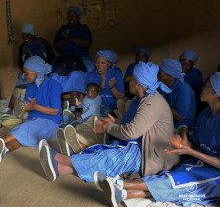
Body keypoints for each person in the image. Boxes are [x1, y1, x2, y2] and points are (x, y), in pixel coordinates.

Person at [39, 62, 179, 183]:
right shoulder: (140, 99)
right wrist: (113, 122)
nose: (128, 80)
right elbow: (127, 123)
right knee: (107, 150)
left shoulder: (152, 103)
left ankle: (60, 159)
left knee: (116, 156)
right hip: (141, 145)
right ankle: (60, 169)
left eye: (131, 78)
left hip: (153, 156)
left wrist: (109, 127)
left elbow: (130, 132)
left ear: (136, 83)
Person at [98, 72, 220, 207]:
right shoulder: (205, 115)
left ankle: (120, 185)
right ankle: (123, 194)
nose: (202, 88)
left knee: (179, 181)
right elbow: (197, 144)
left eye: (206, 86)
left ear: (216, 92)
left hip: (216, 172)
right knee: (171, 177)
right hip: (201, 162)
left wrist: (190, 151)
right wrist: (185, 145)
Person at [0, 56, 62, 163]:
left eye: (27, 73)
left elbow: (55, 111)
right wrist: (28, 108)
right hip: (34, 120)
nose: (25, 76)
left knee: (24, 128)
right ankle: (3, 151)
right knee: (19, 137)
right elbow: (29, 107)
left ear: (37, 72)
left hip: (50, 124)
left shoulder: (54, 86)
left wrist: (34, 106)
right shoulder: (30, 86)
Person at [2, 23, 55, 117]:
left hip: (43, 70)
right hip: (28, 72)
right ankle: (10, 108)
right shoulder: (23, 47)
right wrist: (26, 71)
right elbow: (20, 63)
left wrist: (41, 70)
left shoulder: (43, 44)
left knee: (43, 83)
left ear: (33, 34)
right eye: (23, 36)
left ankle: (43, 107)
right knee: (19, 84)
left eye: (28, 35)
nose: (26, 38)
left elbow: (51, 58)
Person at [50, 5, 93, 107]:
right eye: (69, 15)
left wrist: (70, 38)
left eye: (74, 15)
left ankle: (74, 106)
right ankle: (56, 105)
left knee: (76, 76)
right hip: (64, 58)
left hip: (80, 58)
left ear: (78, 17)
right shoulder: (63, 29)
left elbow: (86, 43)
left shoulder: (83, 28)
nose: (71, 18)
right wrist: (64, 38)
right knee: (55, 75)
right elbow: (56, 46)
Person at [158, 59, 196, 130]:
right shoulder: (164, 85)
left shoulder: (183, 89)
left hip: (182, 128)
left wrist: (160, 102)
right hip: (169, 123)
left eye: (160, 74)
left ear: (171, 76)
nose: (158, 77)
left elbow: (181, 117)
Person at [86, 49, 124, 116]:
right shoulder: (90, 76)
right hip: (95, 107)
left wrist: (112, 87)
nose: (99, 65)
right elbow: (88, 97)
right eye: (97, 62)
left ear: (109, 64)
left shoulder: (116, 74)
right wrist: (100, 88)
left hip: (112, 108)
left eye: (103, 63)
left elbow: (121, 97)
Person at [179, 49, 205, 116]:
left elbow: (199, 93)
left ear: (192, 65)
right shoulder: (173, 71)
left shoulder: (196, 74)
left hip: (190, 106)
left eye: (188, 64)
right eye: (183, 63)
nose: (184, 67)